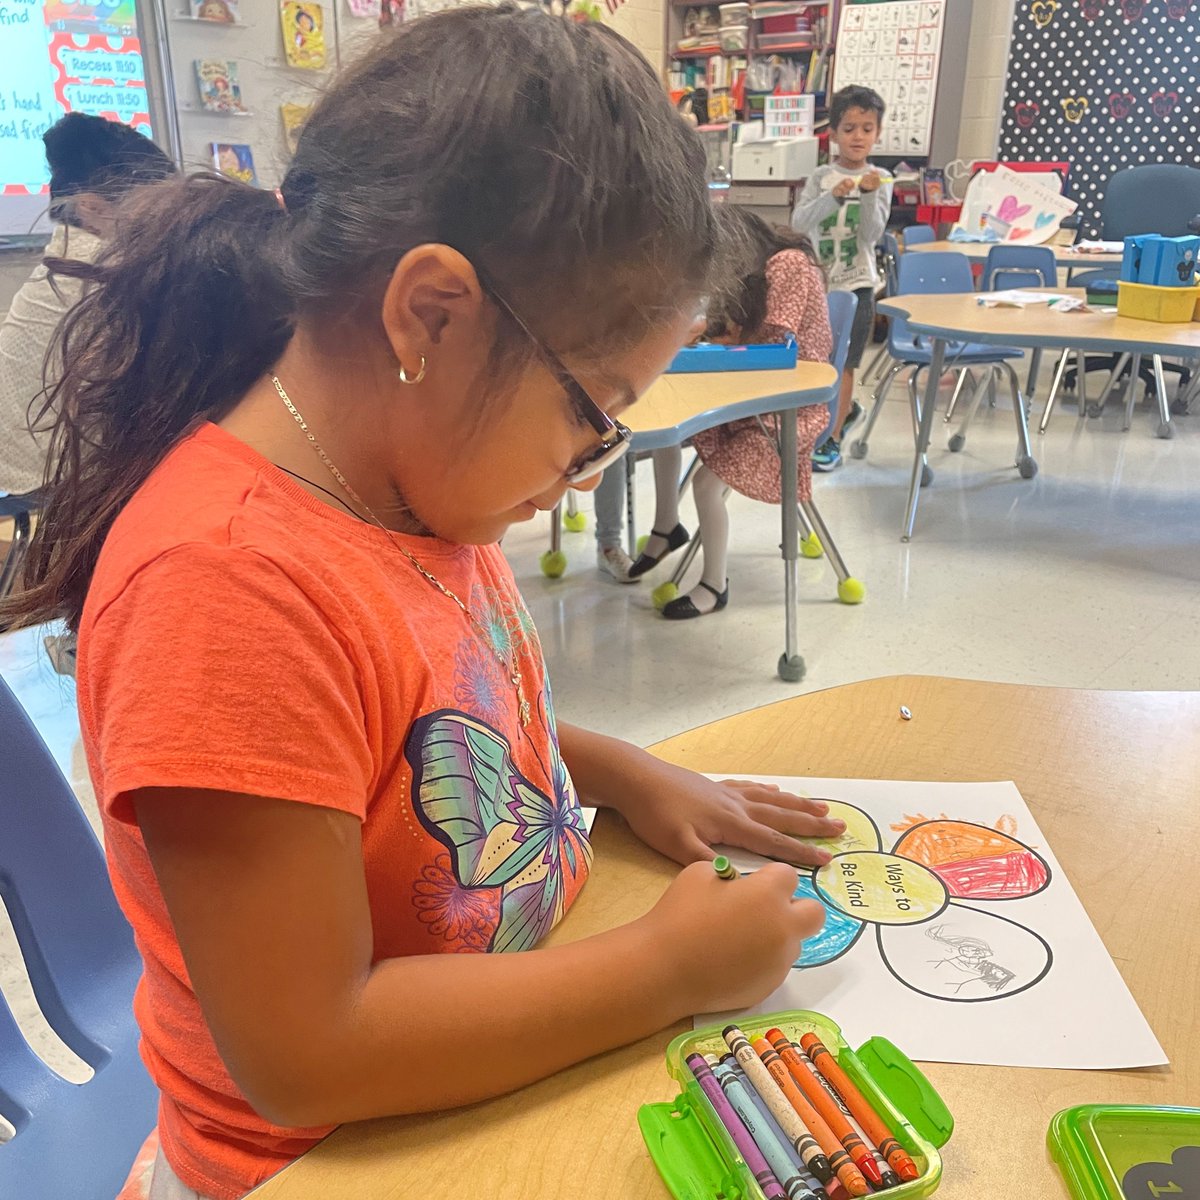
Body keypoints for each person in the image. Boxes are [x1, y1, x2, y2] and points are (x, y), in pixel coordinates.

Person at [0, 11, 843, 1199]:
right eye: (593, 411)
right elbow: (308, 1053)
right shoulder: (223, 588)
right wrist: (662, 969)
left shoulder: (415, 488)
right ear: (431, 314)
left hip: (474, 1090)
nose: (588, 463)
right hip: (327, 1163)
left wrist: (622, 774)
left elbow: (432, 737)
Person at [628, 208, 832, 619]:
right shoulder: (764, 271)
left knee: (706, 486)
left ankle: (713, 586)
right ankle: (667, 526)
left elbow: (775, 345)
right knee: (671, 430)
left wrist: (712, 338)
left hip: (788, 408)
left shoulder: (787, 264)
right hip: (760, 395)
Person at [0, 113, 176, 502]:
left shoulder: (62, 261)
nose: (169, 220)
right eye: (156, 207)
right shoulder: (98, 270)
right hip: (64, 477)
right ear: (92, 208)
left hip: (30, 470)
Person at [792, 84, 892, 471]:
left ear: (877, 134)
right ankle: (836, 416)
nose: (858, 136)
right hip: (820, 285)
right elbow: (799, 224)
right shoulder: (820, 176)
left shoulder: (880, 179)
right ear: (833, 133)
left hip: (859, 286)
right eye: (849, 128)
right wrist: (832, 197)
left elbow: (871, 236)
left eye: (867, 128)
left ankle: (832, 438)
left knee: (845, 363)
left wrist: (867, 196)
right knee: (818, 359)